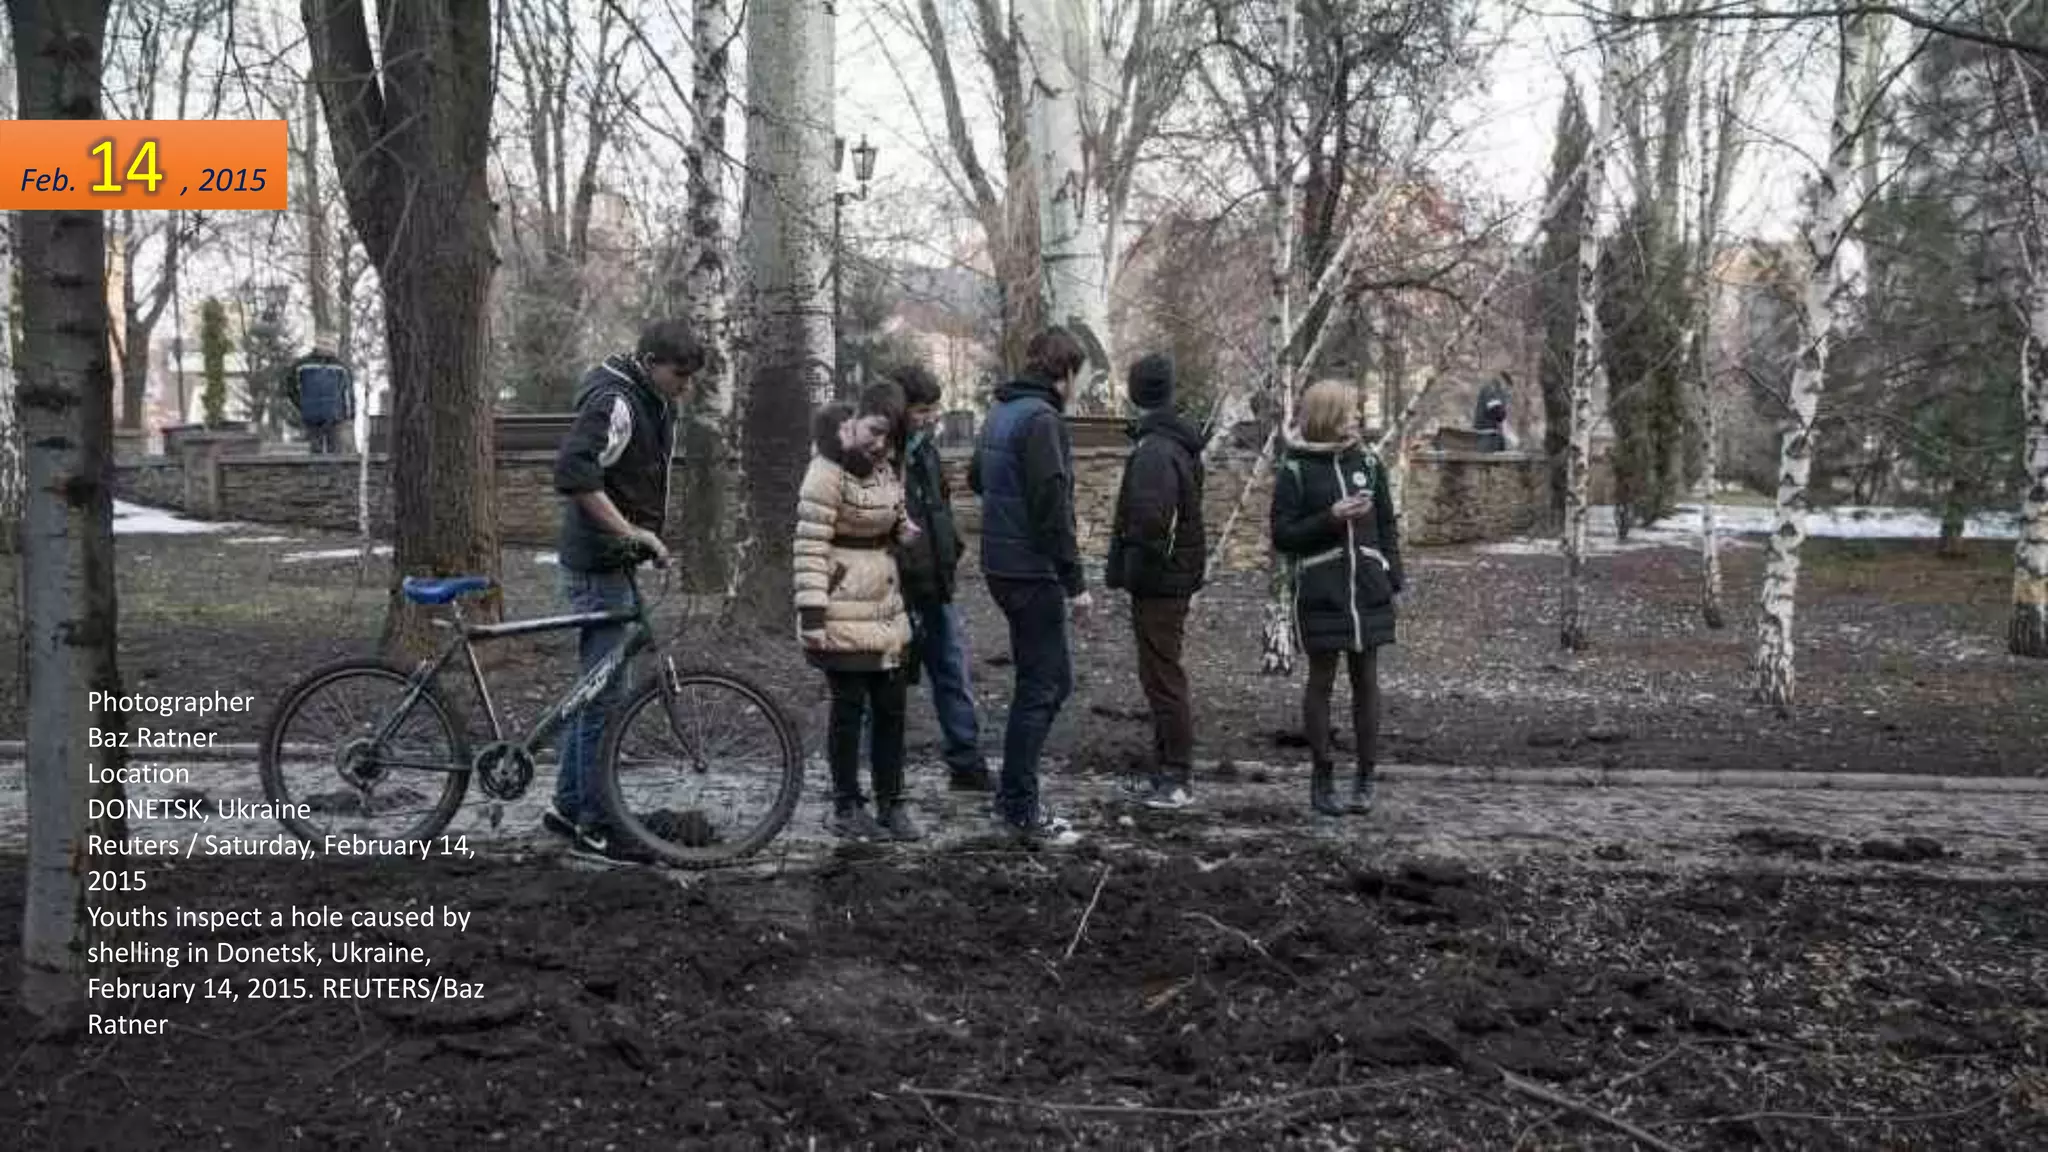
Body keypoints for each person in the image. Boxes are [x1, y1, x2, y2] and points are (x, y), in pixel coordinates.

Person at [546, 319, 699, 863]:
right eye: (680, 373)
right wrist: (630, 532)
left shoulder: (649, 398)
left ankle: (569, 804)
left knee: (598, 688)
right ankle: (595, 821)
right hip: (597, 564)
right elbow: (573, 473)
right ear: (652, 361)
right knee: (605, 697)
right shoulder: (617, 400)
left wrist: (639, 540)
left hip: (612, 560)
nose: (686, 384)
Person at [968, 327, 1091, 847]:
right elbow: (1051, 506)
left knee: (1043, 682)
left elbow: (977, 478)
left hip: (1001, 564)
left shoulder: (1003, 411)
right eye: (1081, 376)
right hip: (1030, 570)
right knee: (1045, 684)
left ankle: (1014, 795)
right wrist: (1076, 583)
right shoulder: (1042, 420)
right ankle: (1018, 804)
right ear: (1065, 374)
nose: (1080, 387)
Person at [795, 381, 923, 842]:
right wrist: (812, 615)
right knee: (848, 710)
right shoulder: (826, 471)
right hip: (840, 608)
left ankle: (892, 802)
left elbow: (892, 517)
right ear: (854, 419)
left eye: (889, 436)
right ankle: (847, 804)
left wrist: (901, 532)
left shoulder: (887, 467)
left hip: (885, 608)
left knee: (892, 709)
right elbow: (810, 546)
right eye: (874, 430)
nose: (880, 443)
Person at [1270, 379, 1404, 817]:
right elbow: (1283, 534)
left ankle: (1365, 775)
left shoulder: (1368, 461)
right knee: (1321, 682)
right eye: (1350, 411)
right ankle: (1322, 774)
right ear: (1328, 416)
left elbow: (1386, 525)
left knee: (1367, 681)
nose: (1357, 419)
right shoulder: (1296, 469)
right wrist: (1330, 518)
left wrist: (1391, 577)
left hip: (1368, 589)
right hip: (1321, 591)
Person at [1104, 353, 1207, 809]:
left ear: (1133, 392)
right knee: (1159, 673)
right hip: (1171, 578)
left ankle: (1176, 776)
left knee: (1163, 676)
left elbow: (1149, 521)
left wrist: (1134, 568)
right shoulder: (1172, 444)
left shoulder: (1154, 451)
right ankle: (1165, 768)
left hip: (1160, 582)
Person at [889, 362, 992, 793]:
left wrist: (952, 551)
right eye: (922, 410)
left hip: (937, 585)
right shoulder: (881, 456)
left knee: (952, 672)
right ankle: (881, 771)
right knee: (888, 687)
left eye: (934, 409)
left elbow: (940, 510)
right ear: (900, 410)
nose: (931, 418)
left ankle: (966, 763)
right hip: (896, 591)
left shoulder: (927, 453)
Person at [286, 342, 355, 454]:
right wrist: (302, 404)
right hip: (312, 415)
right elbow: (290, 387)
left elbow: (348, 391)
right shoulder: (302, 365)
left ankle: (332, 470)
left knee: (335, 452)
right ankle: (316, 470)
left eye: (329, 343)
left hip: (335, 416)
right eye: (323, 343)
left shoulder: (341, 367)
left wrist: (350, 414)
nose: (327, 347)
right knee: (315, 451)